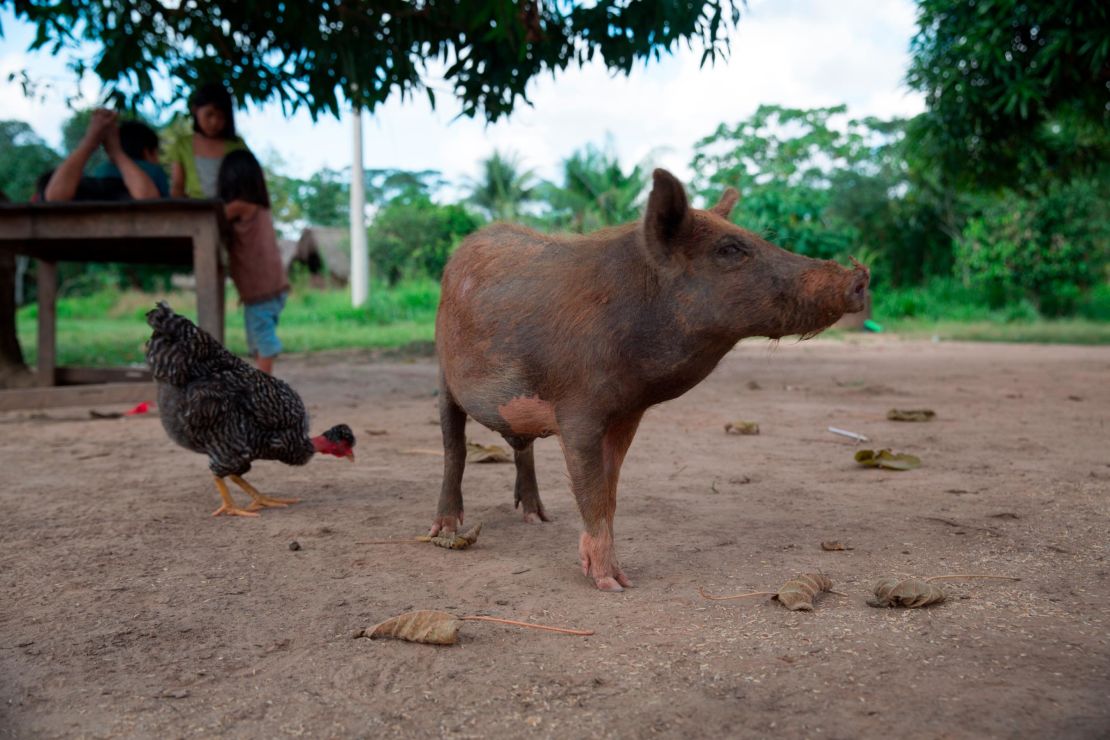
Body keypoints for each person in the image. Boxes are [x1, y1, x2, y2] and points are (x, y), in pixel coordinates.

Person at [217, 149, 288, 375]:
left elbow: (214, 219)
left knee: (262, 337)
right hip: (268, 287)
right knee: (256, 338)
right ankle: (264, 383)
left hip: (261, 289)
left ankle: (266, 386)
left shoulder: (239, 207)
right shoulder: (261, 208)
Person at [41, 109, 168, 202]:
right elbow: (149, 200)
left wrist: (89, 142)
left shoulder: (100, 171)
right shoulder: (155, 172)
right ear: (148, 152)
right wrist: (116, 152)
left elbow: (54, 196)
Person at [169, 82, 248, 198]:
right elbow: (177, 186)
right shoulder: (182, 145)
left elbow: (252, 183)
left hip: (234, 212)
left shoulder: (237, 145)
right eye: (209, 114)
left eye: (221, 116)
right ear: (195, 110)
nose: (214, 122)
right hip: (196, 213)